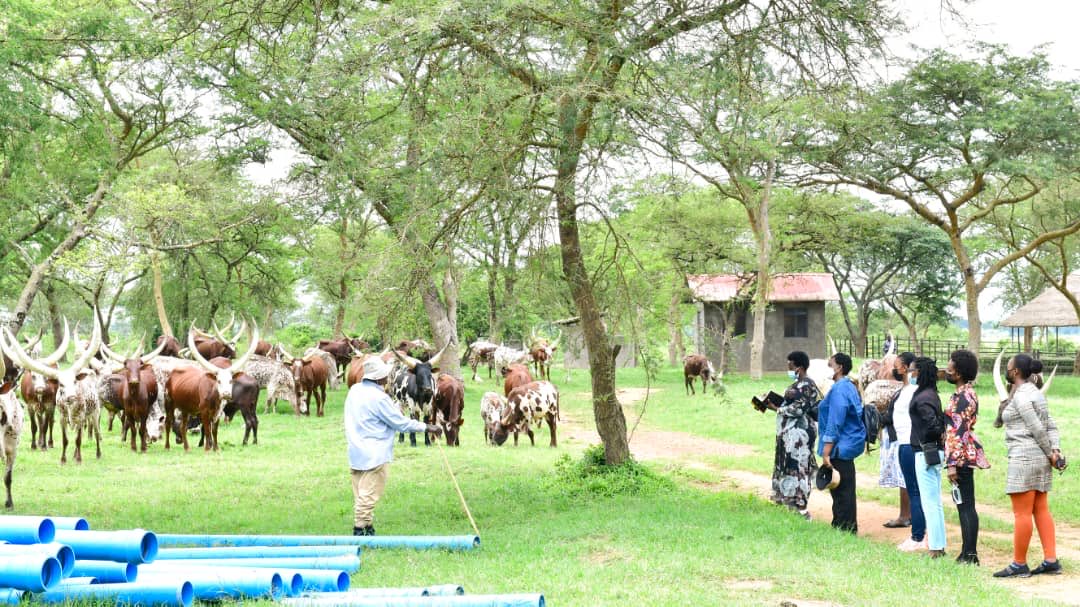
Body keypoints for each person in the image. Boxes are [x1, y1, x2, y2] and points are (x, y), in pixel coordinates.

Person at [344, 356, 442, 536]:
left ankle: (368, 528)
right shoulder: (380, 398)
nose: (388, 378)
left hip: (355, 450)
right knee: (368, 496)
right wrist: (427, 426)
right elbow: (401, 423)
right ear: (379, 378)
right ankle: (359, 531)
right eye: (385, 376)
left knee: (360, 493)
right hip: (375, 454)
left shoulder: (354, 391)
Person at [993, 354, 1063, 578]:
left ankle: (1019, 564)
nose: (1007, 368)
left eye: (1009, 366)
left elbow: (1037, 428)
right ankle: (1050, 560)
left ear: (1015, 372)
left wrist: (1051, 453)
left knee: (1021, 513)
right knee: (1041, 509)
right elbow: (1050, 424)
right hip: (1041, 461)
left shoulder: (1022, 397)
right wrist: (1055, 451)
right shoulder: (1035, 393)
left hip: (1024, 459)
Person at [944, 349, 989, 565]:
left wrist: (951, 463)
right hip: (962, 454)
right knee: (964, 504)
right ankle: (966, 552)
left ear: (959, 372)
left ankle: (970, 554)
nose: (947, 369)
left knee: (966, 505)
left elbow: (957, 432)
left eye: (950, 366)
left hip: (960, 456)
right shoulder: (965, 393)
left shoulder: (963, 397)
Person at [768, 351, 821, 518]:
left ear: (799, 366)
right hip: (788, 432)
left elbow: (799, 408)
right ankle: (788, 500)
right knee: (787, 464)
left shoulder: (808, 385)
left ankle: (801, 505)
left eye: (790, 364)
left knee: (799, 466)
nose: (788, 368)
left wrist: (778, 409)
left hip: (800, 433)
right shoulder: (798, 383)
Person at [882, 352, 926, 551]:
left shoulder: (914, 392)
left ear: (908, 368)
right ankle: (921, 532)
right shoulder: (905, 390)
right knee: (915, 490)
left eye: (898, 366)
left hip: (910, 444)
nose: (895, 369)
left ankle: (918, 535)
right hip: (903, 444)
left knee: (915, 492)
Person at [817, 352, 863, 534]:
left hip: (840, 447)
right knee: (844, 489)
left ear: (839, 368)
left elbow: (835, 421)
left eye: (830, 365)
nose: (828, 368)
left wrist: (826, 452)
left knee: (841, 490)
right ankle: (844, 525)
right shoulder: (848, 386)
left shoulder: (839, 390)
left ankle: (844, 527)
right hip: (847, 445)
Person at [909, 356, 947, 559]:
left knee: (930, 502)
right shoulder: (931, 394)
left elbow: (932, 425)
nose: (910, 373)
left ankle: (935, 547)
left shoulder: (923, 397)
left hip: (925, 452)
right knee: (935, 501)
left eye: (913, 370)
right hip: (932, 451)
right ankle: (938, 544)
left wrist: (932, 435)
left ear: (920, 372)